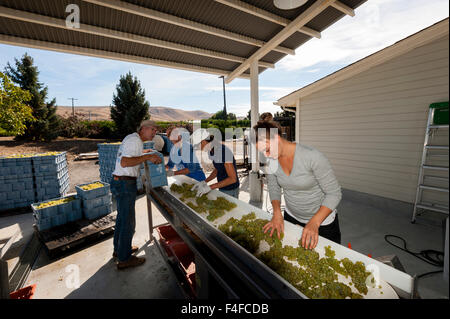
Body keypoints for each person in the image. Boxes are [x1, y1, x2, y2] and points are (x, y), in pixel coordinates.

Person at [253, 120, 342, 250]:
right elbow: (273, 186)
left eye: (266, 150)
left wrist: (314, 222)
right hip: (291, 216)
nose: (266, 155)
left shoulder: (312, 156)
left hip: (322, 221)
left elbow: (334, 193)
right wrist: (277, 212)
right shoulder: (271, 160)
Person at [110, 120, 163, 270]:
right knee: (128, 222)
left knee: (121, 219)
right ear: (143, 129)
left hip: (120, 182)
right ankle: (125, 258)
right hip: (125, 184)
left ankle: (119, 250)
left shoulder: (134, 139)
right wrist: (147, 157)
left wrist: (149, 153)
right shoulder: (134, 141)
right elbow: (126, 162)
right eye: (152, 129)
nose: (154, 132)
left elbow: (135, 155)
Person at [192, 129, 240, 198]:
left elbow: (233, 178)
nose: (199, 148)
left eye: (197, 145)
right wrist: (205, 182)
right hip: (222, 186)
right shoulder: (211, 151)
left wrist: (211, 187)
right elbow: (217, 169)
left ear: (203, 142)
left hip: (231, 189)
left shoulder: (224, 152)